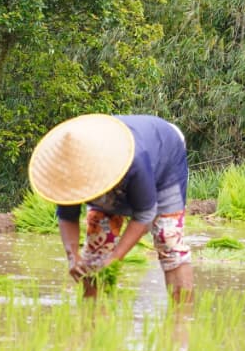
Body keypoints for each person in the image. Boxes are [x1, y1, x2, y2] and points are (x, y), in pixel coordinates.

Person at [28, 113, 193, 302]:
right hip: (111, 168)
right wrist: (73, 256)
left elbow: (145, 214)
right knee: (95, 252)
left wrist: (115, 258)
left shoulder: (135, 160)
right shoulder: (69, 169)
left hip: (165, 159)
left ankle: (181, 322)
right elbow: (67, 215)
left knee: (168, 239)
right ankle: (93, 320)